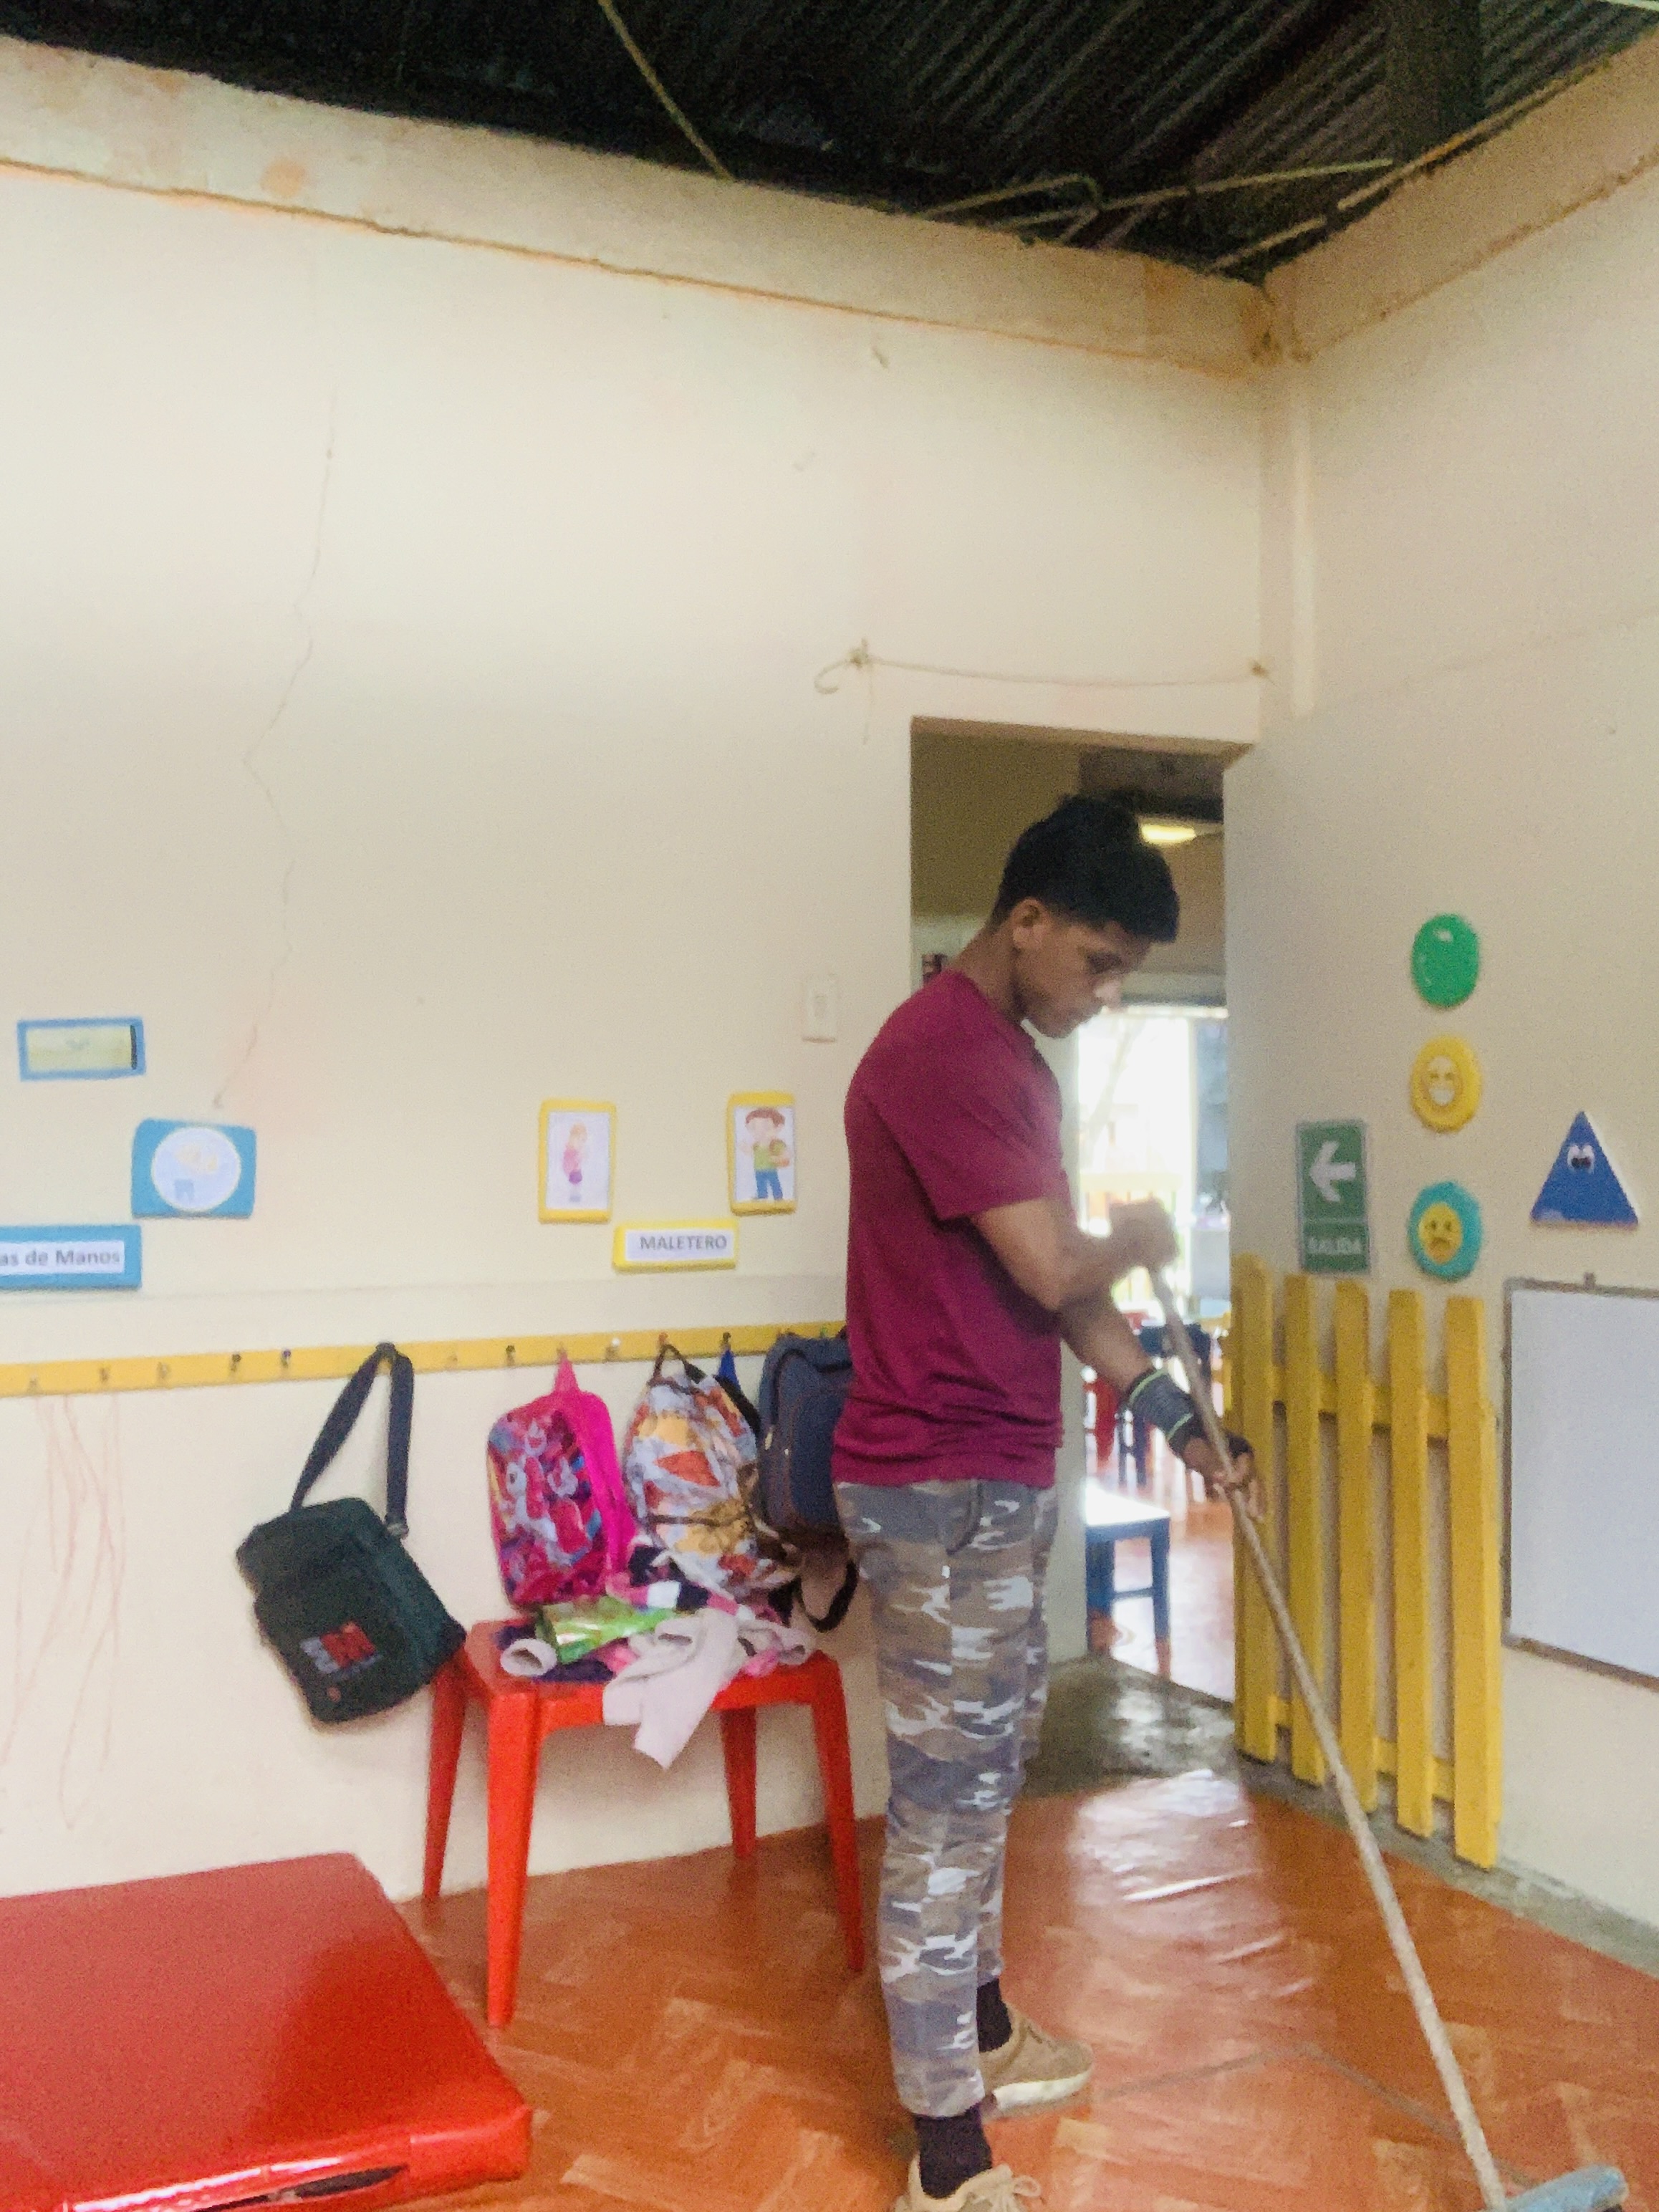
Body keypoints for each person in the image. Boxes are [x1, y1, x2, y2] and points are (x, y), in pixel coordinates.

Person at [832, 794, 1256, 2212]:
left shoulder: (1010, 1060)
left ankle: (988, 2033)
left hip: (998, 1475)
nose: (1106, 992)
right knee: (945, 1807)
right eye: (1099, 962)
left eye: (1125, 971)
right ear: (1025, 921)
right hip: (937, 1484)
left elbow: (1068, 1301)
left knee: (992, 1771)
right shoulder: (942, 1051)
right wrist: (1135, 1233)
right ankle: (946, 2151)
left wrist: (1178, 1416)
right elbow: (1056, 1266)